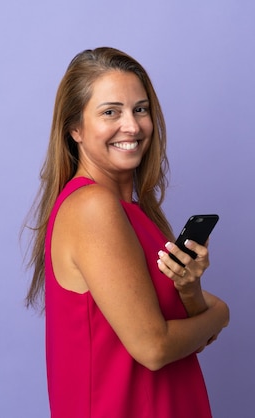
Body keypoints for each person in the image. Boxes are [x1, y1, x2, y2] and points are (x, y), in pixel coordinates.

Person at [25, 47, 230, 418]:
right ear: (75, 128)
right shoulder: (93, 208)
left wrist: (190, 290)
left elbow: (188, 334)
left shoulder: (134, 214)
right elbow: (154, 347)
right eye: (110, 112)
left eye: (140, 109)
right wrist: (222, 312)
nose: (132, 126)